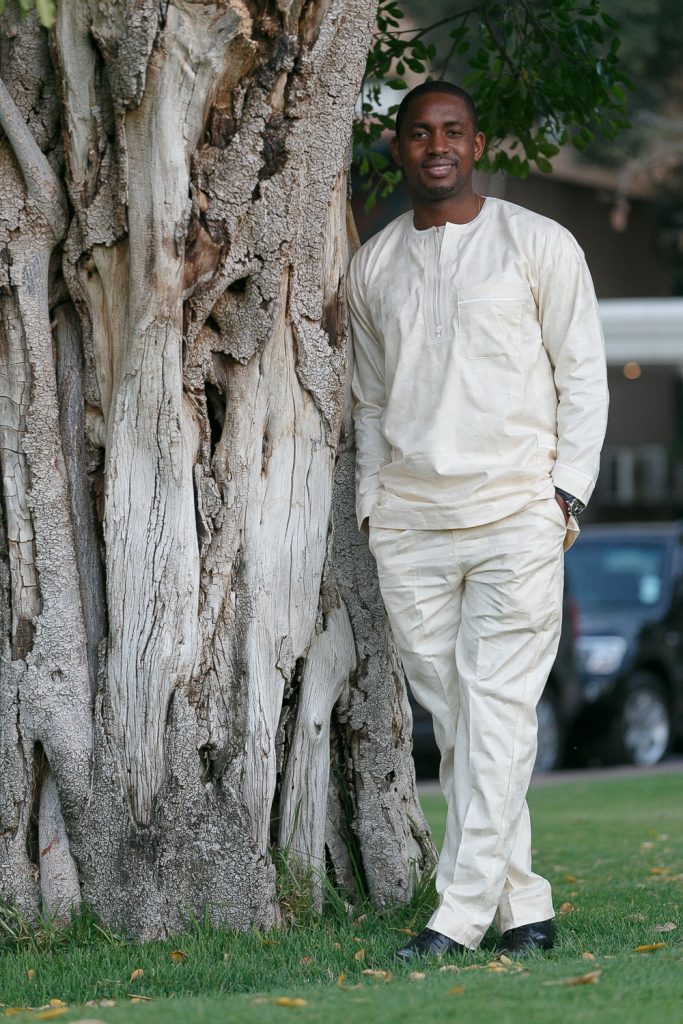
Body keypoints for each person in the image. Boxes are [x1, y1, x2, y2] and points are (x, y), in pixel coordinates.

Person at [348, 81, 608, 959]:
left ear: (476, 142)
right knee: (463, 721)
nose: (435, 147)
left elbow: (583, 374)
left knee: (492, 709)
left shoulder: (538, 243)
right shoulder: (373, 265)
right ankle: (522, 907)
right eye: (418, 134)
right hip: (412, 522)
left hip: (513, 516)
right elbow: (368, 403)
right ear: (398, 148)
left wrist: (564, 494)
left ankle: (454, 917)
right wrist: (372, 504)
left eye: (450, 131)